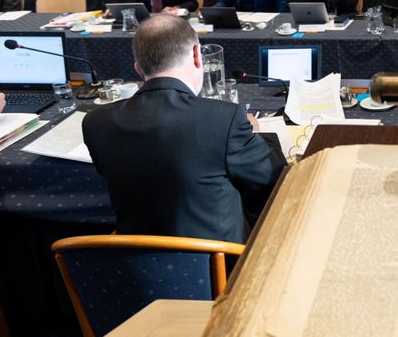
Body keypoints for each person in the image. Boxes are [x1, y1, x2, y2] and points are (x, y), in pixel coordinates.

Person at [82, 15, 286, 243]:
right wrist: (255, 133)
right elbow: (273, 181)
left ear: (138, 69)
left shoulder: (95, 122)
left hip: (134, 262)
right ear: (198, 55)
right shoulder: (225, 118)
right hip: (219, 266)